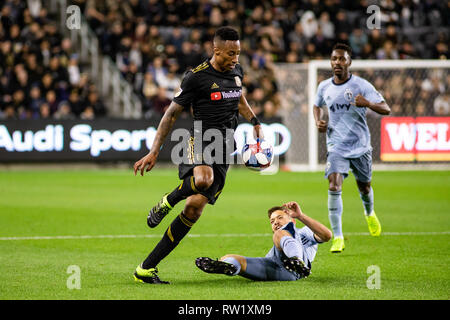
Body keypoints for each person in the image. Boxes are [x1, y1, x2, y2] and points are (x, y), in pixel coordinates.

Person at [132, 26, 264, 284]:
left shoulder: (236, 72)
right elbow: (170, 114)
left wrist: (255, 121)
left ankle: (146, 268)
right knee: (203, 179)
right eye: (230, 53)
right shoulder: (196, 77)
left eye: (238, 53)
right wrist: (154, 151)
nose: (235, 59)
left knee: (193, 210)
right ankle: (167, 201)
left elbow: (239, 99)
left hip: (225, 147)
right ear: (216, 50)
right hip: (201, 138)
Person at [313, 43, 390, 253]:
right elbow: (316, 105)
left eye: (342, 59)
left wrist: (368, 103)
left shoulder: (361, 85)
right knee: (334, 185)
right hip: (336, 145)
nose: (337, 63)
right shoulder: (324, 87)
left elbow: (386, 108)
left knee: (364, 186)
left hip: (361, 146)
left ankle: (369, 212)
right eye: (334, 59)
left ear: (349, 62)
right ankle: (338, 237)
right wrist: (318, 121)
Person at [195, 201, 332, 281]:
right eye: (272, 221)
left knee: (280, 234)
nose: (275, 222)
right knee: (229, 258)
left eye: (280, 218)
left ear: (292, 220)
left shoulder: (302, 232)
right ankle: (226, 267)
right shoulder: (278, 237)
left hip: (298, 271)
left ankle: (296, 260)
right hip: (274, 268)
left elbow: (327, 235)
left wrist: (301, 216)